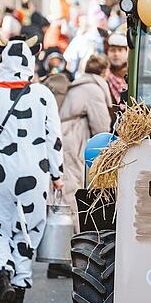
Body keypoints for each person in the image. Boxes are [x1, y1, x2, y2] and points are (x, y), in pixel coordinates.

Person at [0, 39, 64, 303]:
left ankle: (3, 277)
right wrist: (57, 174)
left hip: (0, 170)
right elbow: (53, 138)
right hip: (35, 168)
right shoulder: (43, 95)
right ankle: (18, 294)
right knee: (28, 230)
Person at [59, 54, 112, 230]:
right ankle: (73, 235)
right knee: (72, 188)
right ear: (105, 71)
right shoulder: (94, 90)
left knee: (66, 187)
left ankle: (67, 234)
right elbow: (101, 127)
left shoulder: (81, 85)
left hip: (64, 137)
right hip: (73, 141)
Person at [105, 33, 129, 108]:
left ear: (127, 52)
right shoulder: (103, 77)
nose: (116, 54)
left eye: (120, 50)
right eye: (112, 50)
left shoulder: (133, 75)